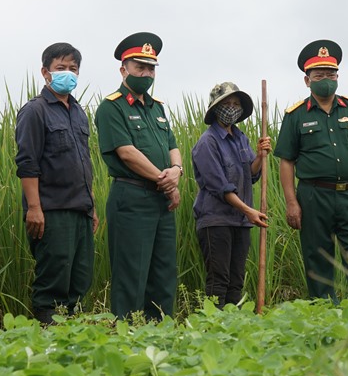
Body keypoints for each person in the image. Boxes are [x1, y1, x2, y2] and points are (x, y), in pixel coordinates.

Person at [274, 40, 348, 303]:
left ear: (338, 77)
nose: (326, 80)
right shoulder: (296, 115)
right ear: (307, 80)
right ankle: (324, 314)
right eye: (319, 75)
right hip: (313, 197)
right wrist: (291, 203)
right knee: (317, 258)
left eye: (330, 74)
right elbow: (286, 161)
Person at [95, 31, 183, 320]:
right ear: (124, 70)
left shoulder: (157, 108)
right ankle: (127, 333)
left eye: (150, 68)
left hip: (161, 202)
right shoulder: (112, 107)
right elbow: (127, 152)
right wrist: (164, 180)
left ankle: (161, 329)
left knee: (163, 271)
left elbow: (172, 145)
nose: (146, 73)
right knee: (132, 273)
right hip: (131, 198)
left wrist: (177, 172)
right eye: (139, 67)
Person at [14, 42, 98, 324]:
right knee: (54, 280)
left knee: (79, 277)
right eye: (61, 68)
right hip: (52, 211)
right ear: (45, 72)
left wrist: (92, 206)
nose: (68, 73)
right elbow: (27, 164)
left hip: (81, 210)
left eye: (73, 69)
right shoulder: (35, 111)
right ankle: (49, 335)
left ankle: (73, 335)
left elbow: (85, 162)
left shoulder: (78, 112)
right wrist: (34, 208)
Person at [191, 82, 271, 308]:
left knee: (236, 280)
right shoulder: (207, 143)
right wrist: (248, 210)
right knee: (219, 279)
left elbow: (250, 175)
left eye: (236, 104)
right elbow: (220, 187)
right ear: (216, 108)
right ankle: (214, 328)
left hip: (241, 222)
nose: (232, 108)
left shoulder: (240, 138)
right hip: (216, 220)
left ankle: (232, 327)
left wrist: (260, 156)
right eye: (227, 104)